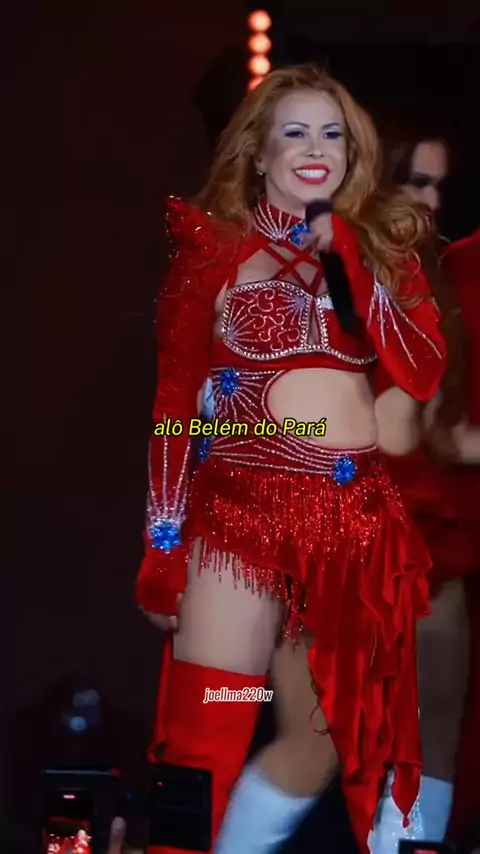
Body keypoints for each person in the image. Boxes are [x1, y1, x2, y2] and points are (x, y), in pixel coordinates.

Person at [135, 64, 445, 854]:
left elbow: (420, 370)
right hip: (239, 516)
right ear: (259, 151)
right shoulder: (212, 254)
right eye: (296, 132)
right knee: (205, 735)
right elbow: (175, 412)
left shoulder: (383, 253)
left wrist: (351, 258)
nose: (316, 149)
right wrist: (162, 545)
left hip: (351, 522)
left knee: (340, 741)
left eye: (332, 134)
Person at [369, 122, 476, 853]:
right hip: (346, 523)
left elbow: (443, 435)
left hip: (428, 530)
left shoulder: (438, 286)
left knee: (437, 723)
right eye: (416, 181)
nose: (430, 201)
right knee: (327, 742)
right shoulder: (326, 272)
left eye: (440, 186)